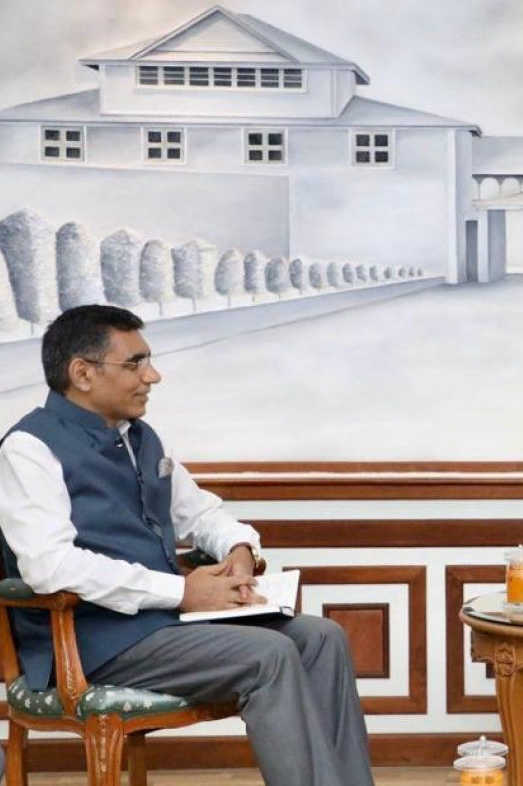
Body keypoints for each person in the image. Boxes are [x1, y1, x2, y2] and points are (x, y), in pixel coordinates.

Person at [0, 305, 373, 785]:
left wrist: (240, 551)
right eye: (134, 363)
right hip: (87, 641)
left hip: (162, 627)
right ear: (82, 373)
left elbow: (201, 514)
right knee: (269, 654)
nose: (152, 376)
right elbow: (49, 566)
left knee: (322, 638)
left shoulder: (141, 438)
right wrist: (183, 593)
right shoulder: (29, 448)